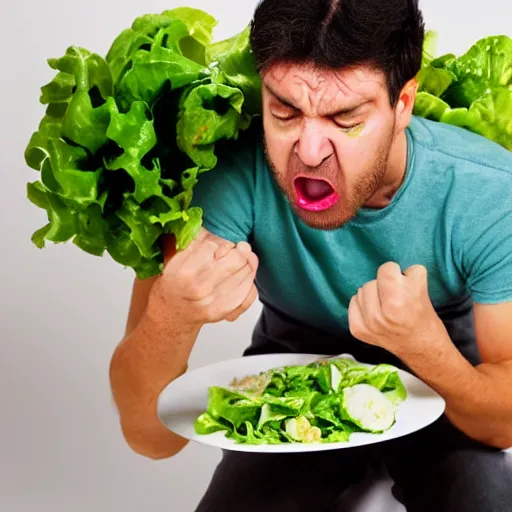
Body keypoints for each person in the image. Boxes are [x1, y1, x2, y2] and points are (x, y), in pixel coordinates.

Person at [108, 0, 512, 510]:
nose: (311, 151)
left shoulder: (491, 192)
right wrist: (172, 313)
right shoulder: (226, 176)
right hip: (290, 357)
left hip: (445, 358)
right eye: (285, 111)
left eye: (346, 119)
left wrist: (425, 346)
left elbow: (502, 425)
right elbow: (150, 438)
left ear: (403, 104)